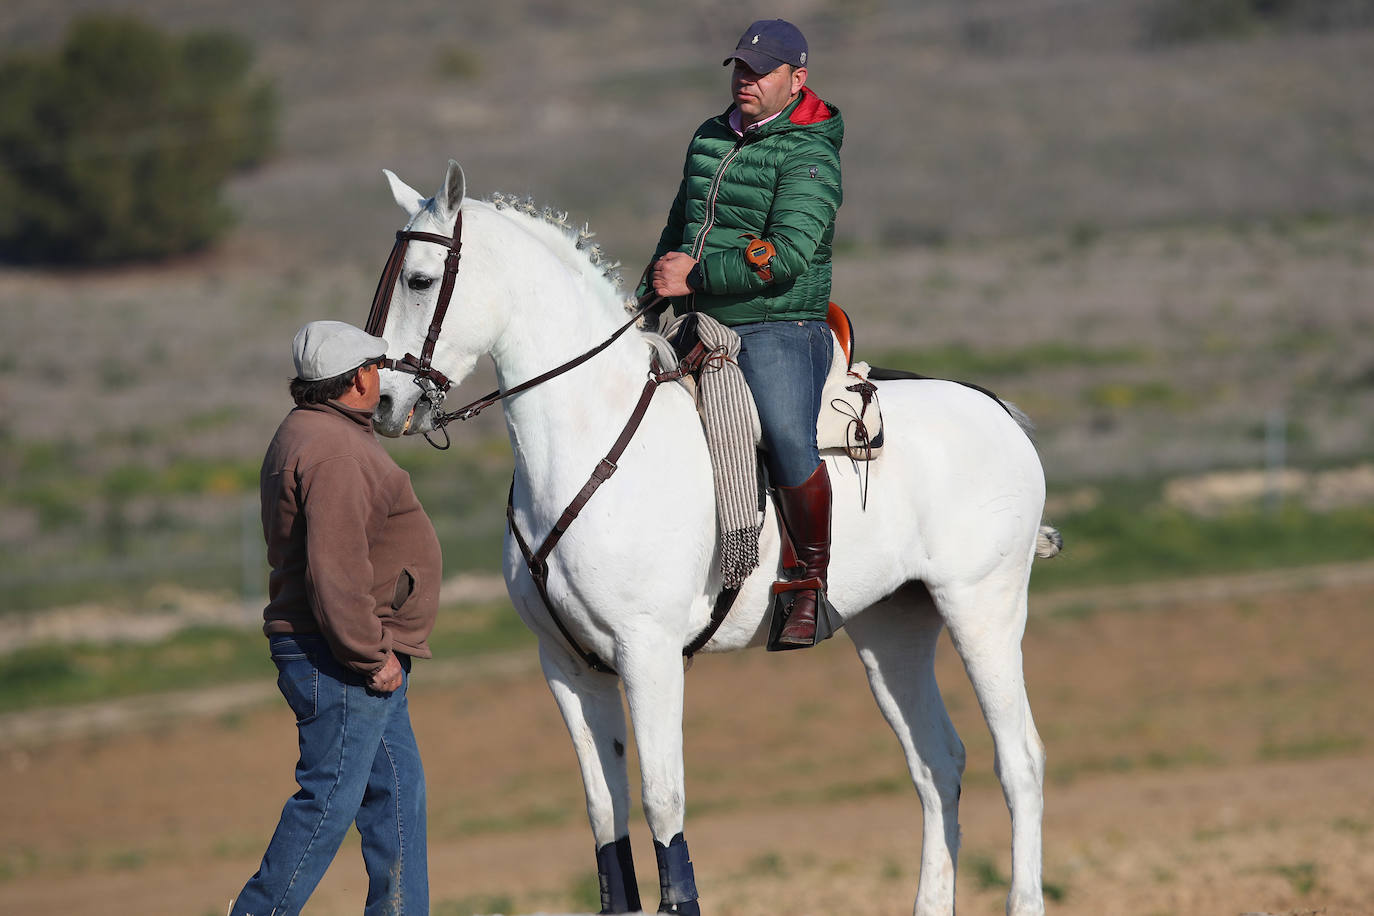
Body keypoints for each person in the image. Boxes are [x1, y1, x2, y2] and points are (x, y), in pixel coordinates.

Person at [643, 18, 843, 649]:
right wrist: (652, 289)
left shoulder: (811, 154)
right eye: (740, 68)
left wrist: (696, 276)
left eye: (761, 71)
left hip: (780, 321)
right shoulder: (709, 135)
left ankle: (807, 581)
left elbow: (785, 255)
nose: (746, 80)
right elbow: (681, 221)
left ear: (797, 78)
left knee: (785, 432)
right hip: (697, 312)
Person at [231, 320, 442, 916]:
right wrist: (370, 656)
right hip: (344, 657)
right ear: (355, 381)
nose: (382, 378)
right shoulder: (337, 452)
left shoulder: (310, 431)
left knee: (398, 796)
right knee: (327, 802)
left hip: (352, 652)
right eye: (375, 368)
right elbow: (336, 572)